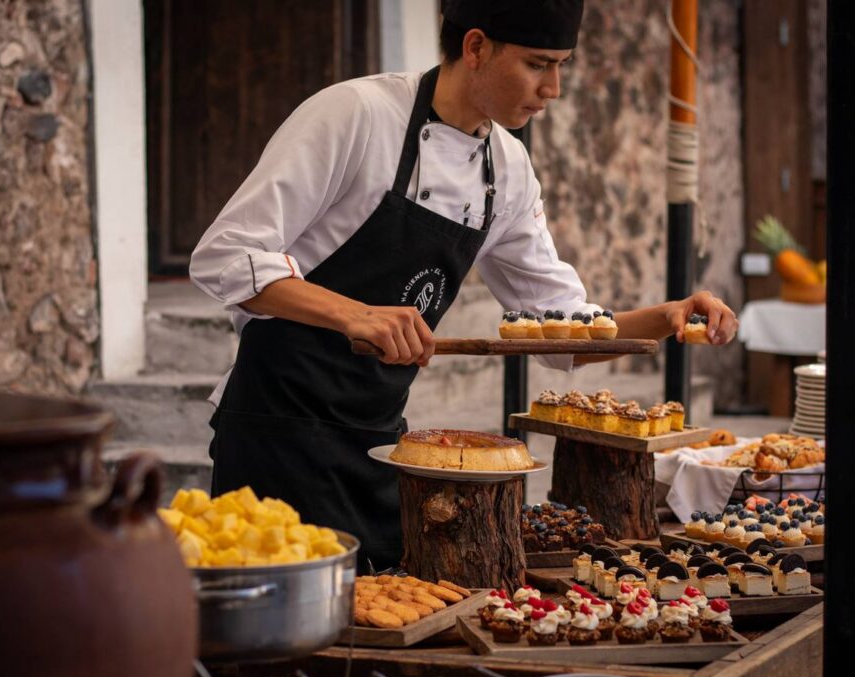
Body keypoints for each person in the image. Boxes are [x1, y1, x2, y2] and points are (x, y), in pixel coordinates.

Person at [189, 0, 738, 570]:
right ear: (475, 47)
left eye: (562, 66)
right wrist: (355, 314)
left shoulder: (508, 169)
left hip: (378, 439)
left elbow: (561, 329)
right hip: (276, 428)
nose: (552, 88)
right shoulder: (356, 115)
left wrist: (667, 317)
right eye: (536, 64)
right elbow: (226, 255)